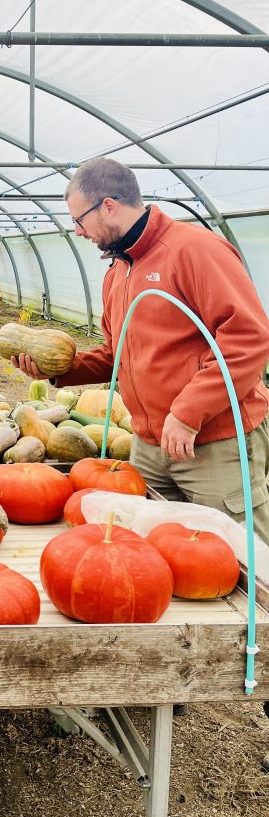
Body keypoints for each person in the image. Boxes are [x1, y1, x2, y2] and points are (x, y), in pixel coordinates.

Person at [17, 157, 269, 546]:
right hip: (149, 447)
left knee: (236, 555)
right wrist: (59, 370)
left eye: (79, 220)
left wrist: (188, 413)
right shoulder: (118, 272)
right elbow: (118, 353)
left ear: (108, 206)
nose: (77, 231)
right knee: (154, 550)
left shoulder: (194, 250)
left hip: (213, 442)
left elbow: (248, 338)